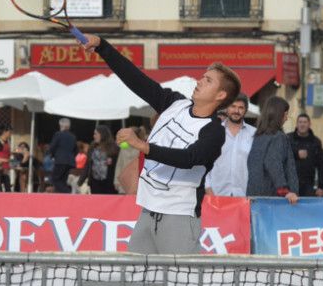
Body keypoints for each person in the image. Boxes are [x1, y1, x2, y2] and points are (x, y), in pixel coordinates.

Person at [80, 32, 240, 254]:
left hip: (180, 218)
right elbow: (136, 79)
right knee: (137, 284)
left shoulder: (214, 131)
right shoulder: (174, 103)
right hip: (148, 212)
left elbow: (190, 158)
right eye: (202, 76)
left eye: (208, 80)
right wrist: (102, 46)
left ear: (221, 95)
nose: (199, 81)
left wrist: (144, 146)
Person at [246, 96, 299, 204]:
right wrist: (284, 191)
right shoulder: (278, 137)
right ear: (279, 115)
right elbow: (273, 162)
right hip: (275, 199)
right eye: (285, 114)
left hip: (256, 197)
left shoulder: (259, 136)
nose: (286, 118)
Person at [205, 94, 255, 198]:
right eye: (233, 106)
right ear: (227, 108)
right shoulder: (214, 131)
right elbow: (205, 161)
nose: (236, 111)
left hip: (245, 196)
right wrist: (208, 187)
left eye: (241, 107)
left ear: (245, 110)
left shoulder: (254, 134)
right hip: (216, 194)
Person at [288, 113, 323, 197]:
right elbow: (281, 158)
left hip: (308, 185)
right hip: (289, 184)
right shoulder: (288, 139)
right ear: (297, 124)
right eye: (300, 122)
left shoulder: (316, 142)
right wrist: (296, 154)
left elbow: (321, 166)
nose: (302, 124)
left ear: (309, 124)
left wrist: (321, 186)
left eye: (305, 122)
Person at [83, 124, 119, 194]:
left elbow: (118, 164)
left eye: (96, 134)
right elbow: (88, 164)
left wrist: (112, 161)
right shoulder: (92, 146)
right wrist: (81, 181)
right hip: (94, 181)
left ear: (103, 134)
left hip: (108, 182)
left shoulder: (113, 147)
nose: (94, 136)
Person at [113, 127, 147, 195]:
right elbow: (119, 164)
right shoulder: (124, 147)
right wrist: (116, 181)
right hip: (124, 181)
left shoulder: (143, 148)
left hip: (137, 182)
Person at [49, 118, 77, 194]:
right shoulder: (73, 136)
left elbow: (52, 147)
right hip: (70, 162)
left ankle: (68, 192)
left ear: (61, 126)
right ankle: (62, 198)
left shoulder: (58, 134)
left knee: (54, 179)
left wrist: (52, 156)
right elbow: (75, 150)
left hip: (60, 160)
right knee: (62, 181)